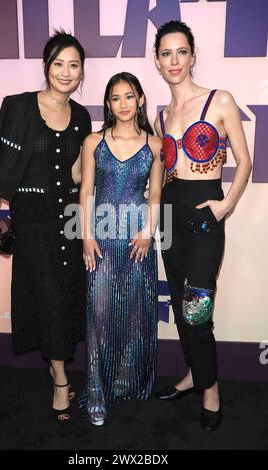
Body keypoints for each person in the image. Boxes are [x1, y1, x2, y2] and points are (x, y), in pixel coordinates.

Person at [0, 30, 92, 425]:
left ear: (81, 73)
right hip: (33, 220)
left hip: (69, 220)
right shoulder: (19, 107)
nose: (65, 71)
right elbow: (0, 168)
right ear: (46, 66)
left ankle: (56, 365)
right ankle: (60, 378)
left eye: (73, 65)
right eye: (59, 63)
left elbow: (78, 173)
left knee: (66, 295)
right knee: (46, 295)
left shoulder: (81, 117)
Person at [153, 21, 252, 431]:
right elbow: (162, 167)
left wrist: (226, 204)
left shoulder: (220, 100)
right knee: (179, 305)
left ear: (192, 56)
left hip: (204, 216)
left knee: (197, 312)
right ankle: (194, 373)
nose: (174, 61)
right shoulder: (161, 114)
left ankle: (210, 389)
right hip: (171, 217)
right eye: (165, 54)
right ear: (157, 63)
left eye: (181, 52)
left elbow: (244, 161)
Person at [77, 72, 163, 425]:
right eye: (116, 98)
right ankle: (96, 389)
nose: (123, 104)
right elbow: (84, 192)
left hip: (137, 239)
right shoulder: (93, 142)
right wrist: (85, 236)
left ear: (141, 99)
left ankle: (126, 379)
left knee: (135, 312)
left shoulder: (156, 145)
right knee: (98, 314)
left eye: (130, 96)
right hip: (100, 237)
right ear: (108, 104)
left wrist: (148, 232)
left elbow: (156, 193)